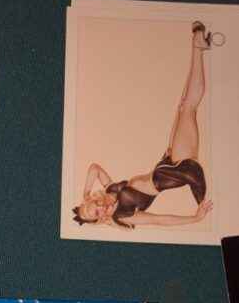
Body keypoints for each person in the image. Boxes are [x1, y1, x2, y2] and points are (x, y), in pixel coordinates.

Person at [73, 22, 218, 229]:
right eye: (94, 213)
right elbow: (157, 220)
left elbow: (94, 168)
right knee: (188, 107)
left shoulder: (111, 191)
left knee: (184, 106)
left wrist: (85, 192)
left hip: (167, 163)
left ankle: (198, 48)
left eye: (91, 205)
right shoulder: (122, 216)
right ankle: (197, 45)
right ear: (99, 219)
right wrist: (194, 218)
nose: (98, 207)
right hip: (175, 171)